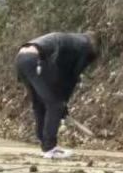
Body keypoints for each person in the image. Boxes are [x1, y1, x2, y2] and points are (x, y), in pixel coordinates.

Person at [15, 31, 98, 159]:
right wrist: (63, 102)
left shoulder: (71, 41)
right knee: (55, 104)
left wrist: (62, 99)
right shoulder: (86, 46)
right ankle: (50, 148)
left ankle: (45, 145)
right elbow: (72, 76)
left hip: (21, 57)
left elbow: (58, 70)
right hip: (34, 59)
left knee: (39, 102)